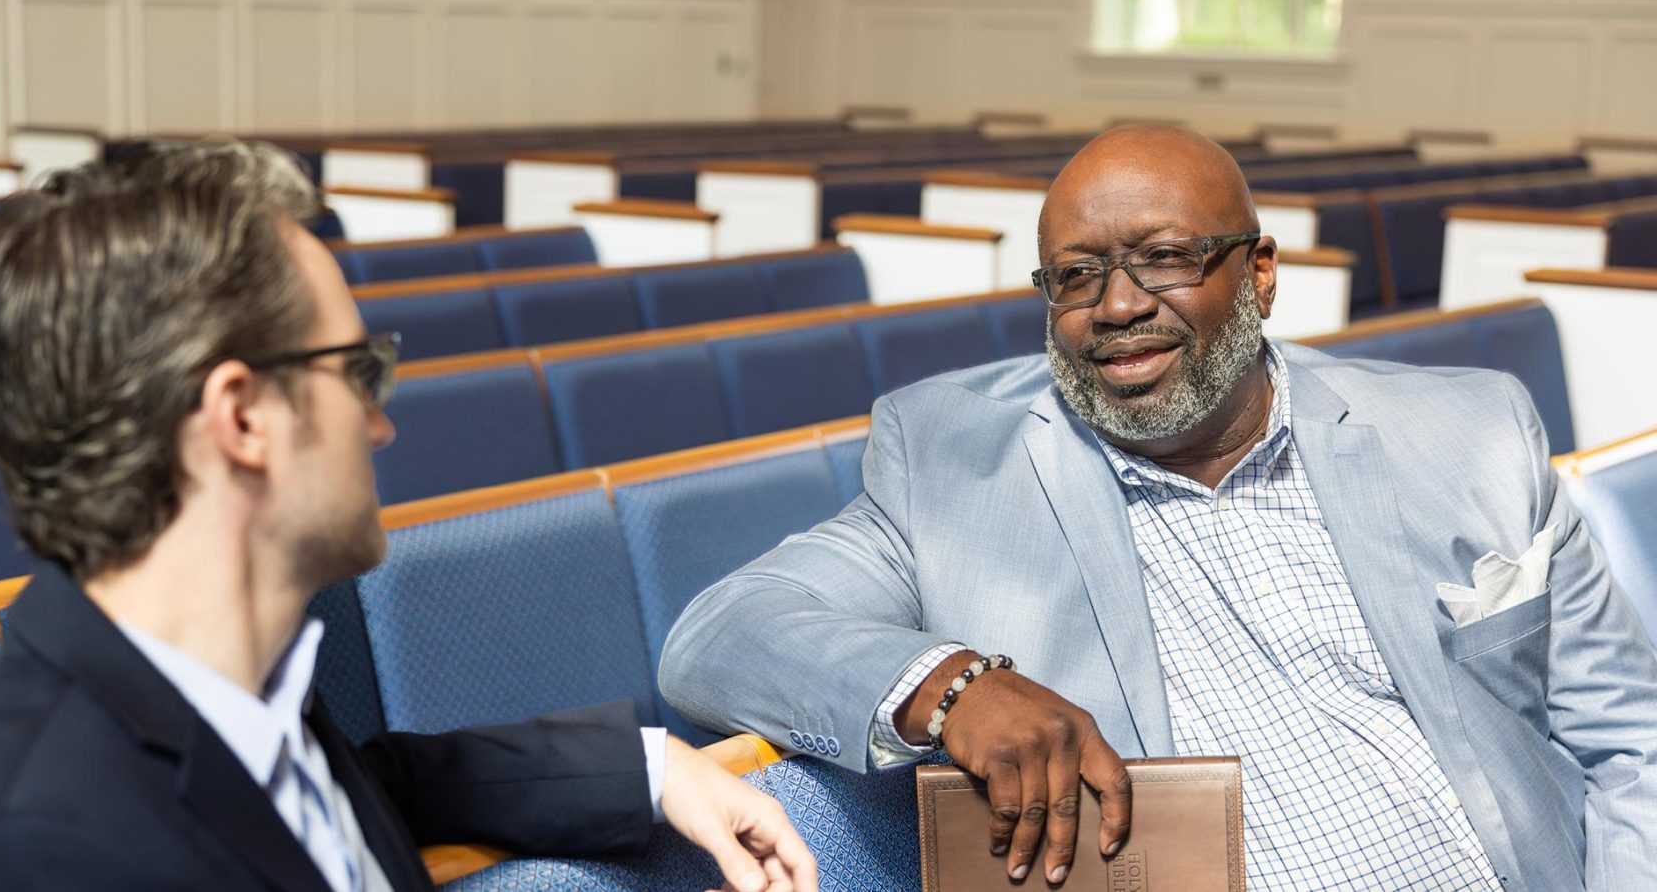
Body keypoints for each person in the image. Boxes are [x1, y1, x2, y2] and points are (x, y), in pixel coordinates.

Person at [660, 125, 1657, 891]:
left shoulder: (1470, 430)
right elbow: (718, 633)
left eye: (1164, 258)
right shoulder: (950, 461)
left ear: (1258, 273)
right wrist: (951, 687)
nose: (1118, 305)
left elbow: (1628, 738)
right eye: (1077, 277)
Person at [0, 142, 817, 892]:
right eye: (357, 374)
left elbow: (375, 786)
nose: (379, 424)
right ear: (243, 418)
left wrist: (654, 769)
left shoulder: (223, 693)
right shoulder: (29, 850)